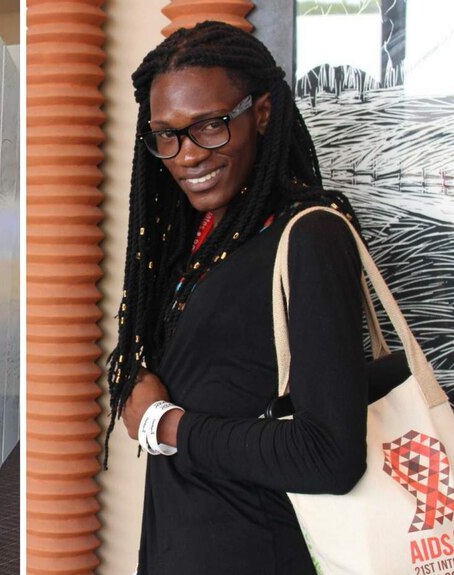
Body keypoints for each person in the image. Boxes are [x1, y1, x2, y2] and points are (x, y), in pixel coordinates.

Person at [105, 21, 368, 574]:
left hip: (258, 552)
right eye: (167, 135)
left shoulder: (309, 236)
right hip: (180, 544)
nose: (187, 156)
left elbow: (331, 456)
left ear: (263, 113)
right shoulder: (193, 242)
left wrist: (166, 424)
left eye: (211, 126)